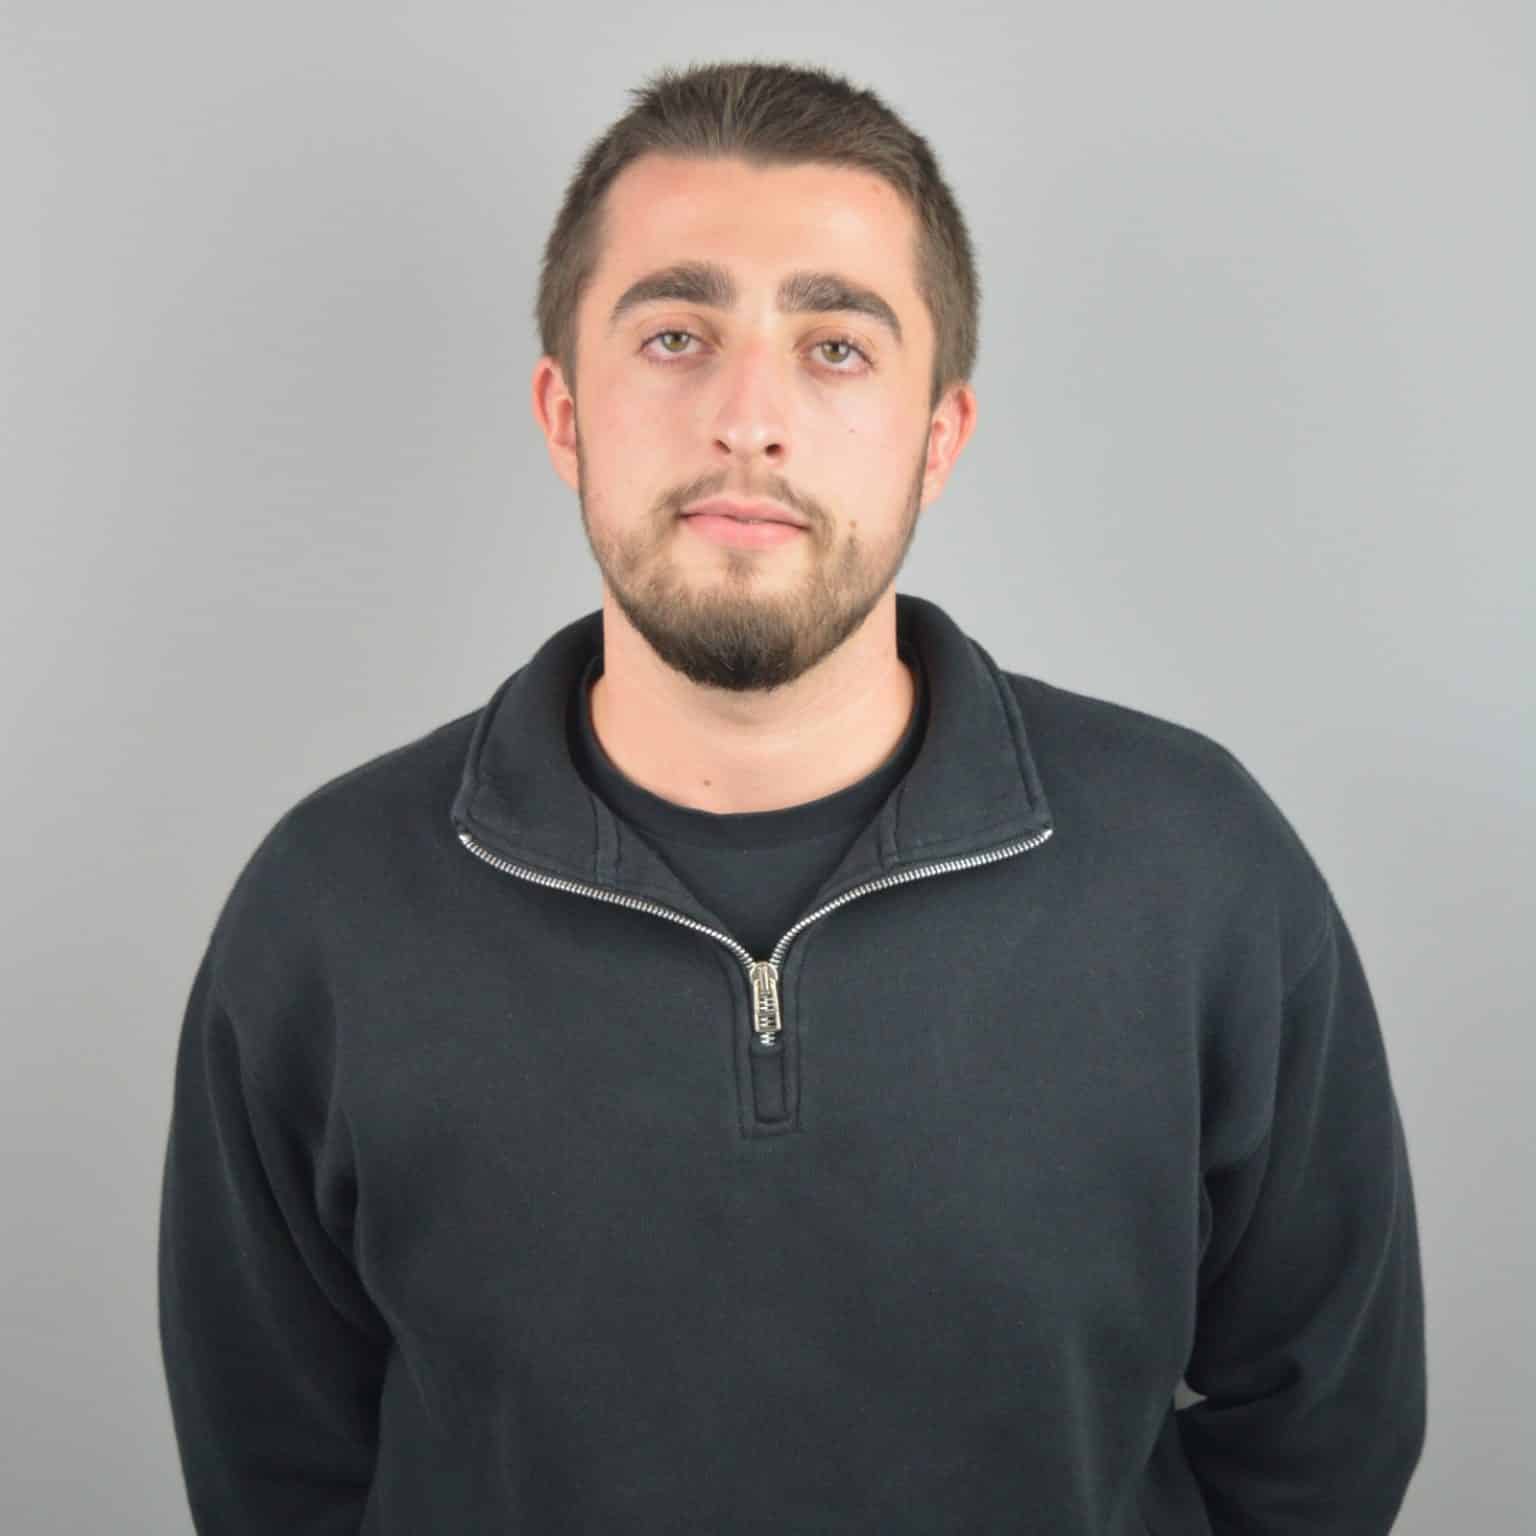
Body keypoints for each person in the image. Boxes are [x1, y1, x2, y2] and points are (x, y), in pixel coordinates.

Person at [157, 59, 1427, 1534]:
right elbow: (277, 1476)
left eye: (835, 347)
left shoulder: (1197, 870)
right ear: (565, 414)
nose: (747, 419)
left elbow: (1324, 1434)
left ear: (937, 437)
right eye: (676, 335)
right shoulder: (330, 908)